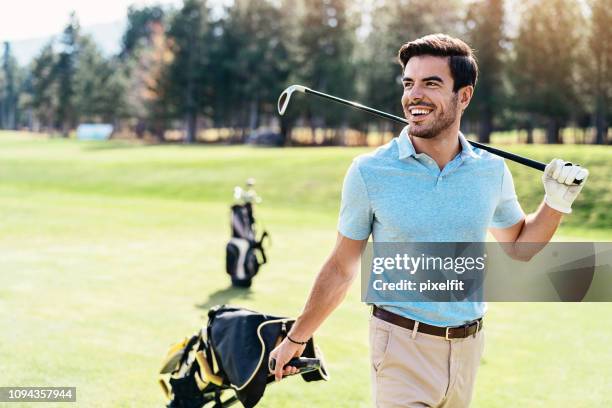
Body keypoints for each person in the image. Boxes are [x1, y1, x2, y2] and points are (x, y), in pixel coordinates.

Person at [269, 34, 588, 408]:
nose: (413, 95)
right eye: (409, 83)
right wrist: (297, 337)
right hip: (401, 345)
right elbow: (342, 266)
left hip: (468, 348)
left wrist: (556, 201)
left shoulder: (491, 171)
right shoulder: (370, 171)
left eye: (431, 83)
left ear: (464, 96)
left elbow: (519, 246)